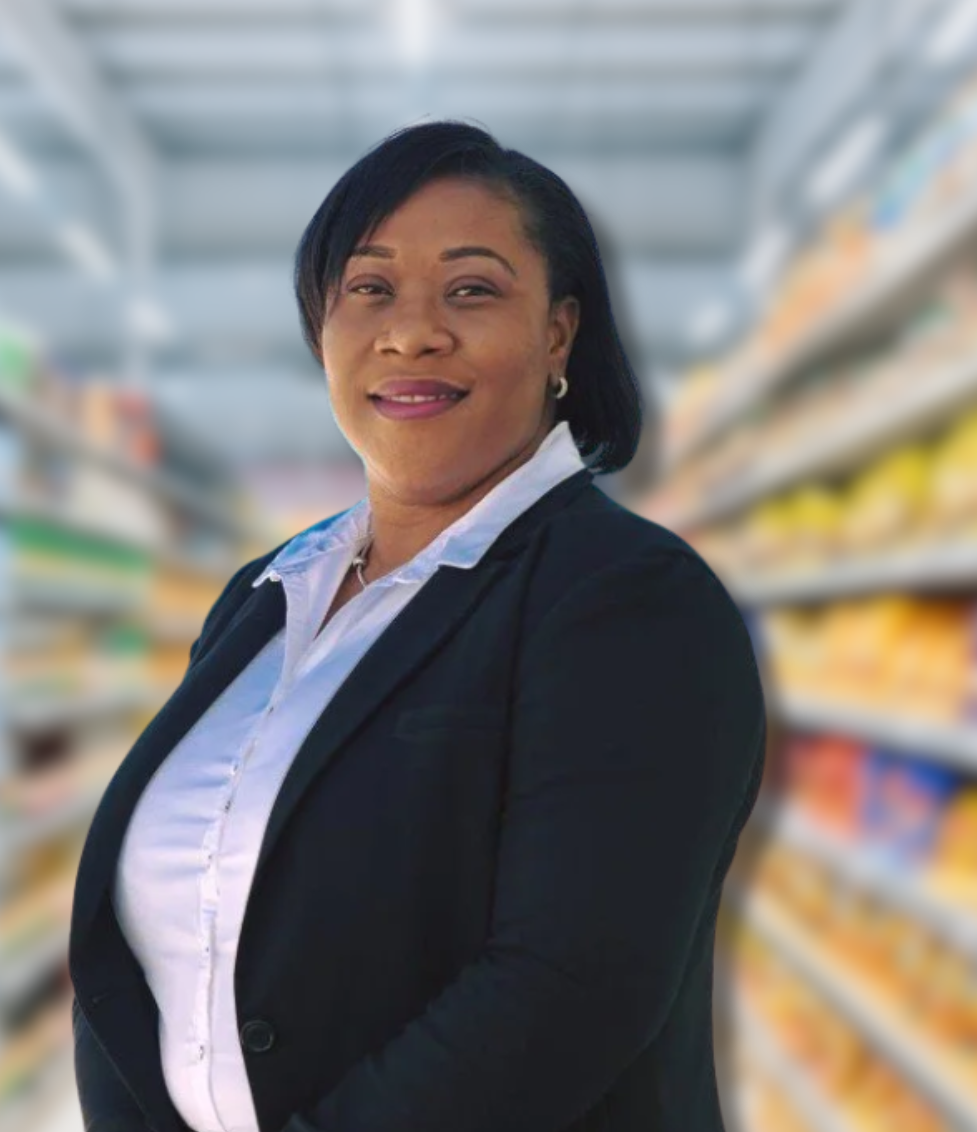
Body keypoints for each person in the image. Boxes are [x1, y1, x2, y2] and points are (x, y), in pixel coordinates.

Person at [68, 120, 766, 1132]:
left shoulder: (631, 601)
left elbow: (564, 994)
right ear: (322, 328)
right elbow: (147, 960)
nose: (411, 333)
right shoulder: (265, 596)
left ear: (558, 333)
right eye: (369, 288)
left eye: (471, 290)